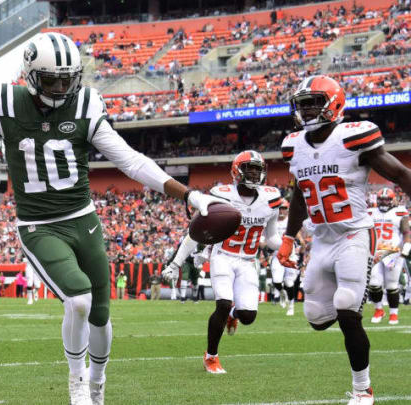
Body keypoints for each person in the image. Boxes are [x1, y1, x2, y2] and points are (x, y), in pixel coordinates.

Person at [0, 32, 221, 405]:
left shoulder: (85, 104)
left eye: (68, 78)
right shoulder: (5, 105)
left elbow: (129, 160)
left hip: (84, 220)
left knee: (100, 314)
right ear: (31, 76)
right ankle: (77, 380)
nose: (62, 87)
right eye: (52, 79)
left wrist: (188, 193)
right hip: (39, 225)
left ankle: (97, 382)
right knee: (78, 299)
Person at [278, 74, 411, 404]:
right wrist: (289, 237)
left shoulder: (353, 138)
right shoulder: (294, 146)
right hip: (322, 240)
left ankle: (363, 389)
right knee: (317, 317)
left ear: (333, 103)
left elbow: (400, 174)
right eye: (303, 104)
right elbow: (298, 196)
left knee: (347, 306)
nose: (307, 110)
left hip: (354, 233)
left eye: (314, 103)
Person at [165, 151, 283, 374]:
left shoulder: (271, 198)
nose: (254, 173)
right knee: (223, 302)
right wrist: (176, 262)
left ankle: (233, 316)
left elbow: (272, 236)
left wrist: (288, 245)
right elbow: (196, 233)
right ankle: (211, 356)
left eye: (257, 168)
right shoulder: (221, 195)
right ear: (236, 171)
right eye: (249, 167)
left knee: (248, 316)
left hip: (248, 260)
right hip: (223, 256)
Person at [367, 188, 410, 324]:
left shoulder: (399, 212)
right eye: (381, 199)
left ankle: (393, 314)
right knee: (373, 283)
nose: (383, 202)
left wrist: (407, 246)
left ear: (392, 200)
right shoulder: (371, 213)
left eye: (386, 199)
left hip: (393, 251)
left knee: (391, 285)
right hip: (376, 252)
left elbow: (406, 232)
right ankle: (379, 309)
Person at [269, 199, 304, 316]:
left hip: (291, 255)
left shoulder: (291, 221)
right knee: (277, 281)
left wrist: (301, 245)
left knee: (289, 283)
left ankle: (291, 306)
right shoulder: (272, 221)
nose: (281, 211)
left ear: (288, 210)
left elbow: (298, 235)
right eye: (280, 208)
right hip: (277, 254)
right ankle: (281, 292)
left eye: (283, 208)